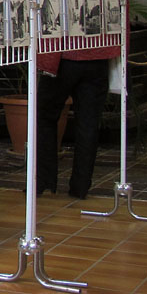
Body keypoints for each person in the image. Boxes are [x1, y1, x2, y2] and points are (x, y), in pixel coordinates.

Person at [36, 42, 117, 199]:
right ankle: (80, 187)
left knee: (44, 117)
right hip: (97, 56)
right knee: (89, 125)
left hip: (63, 56)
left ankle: (44, 180)